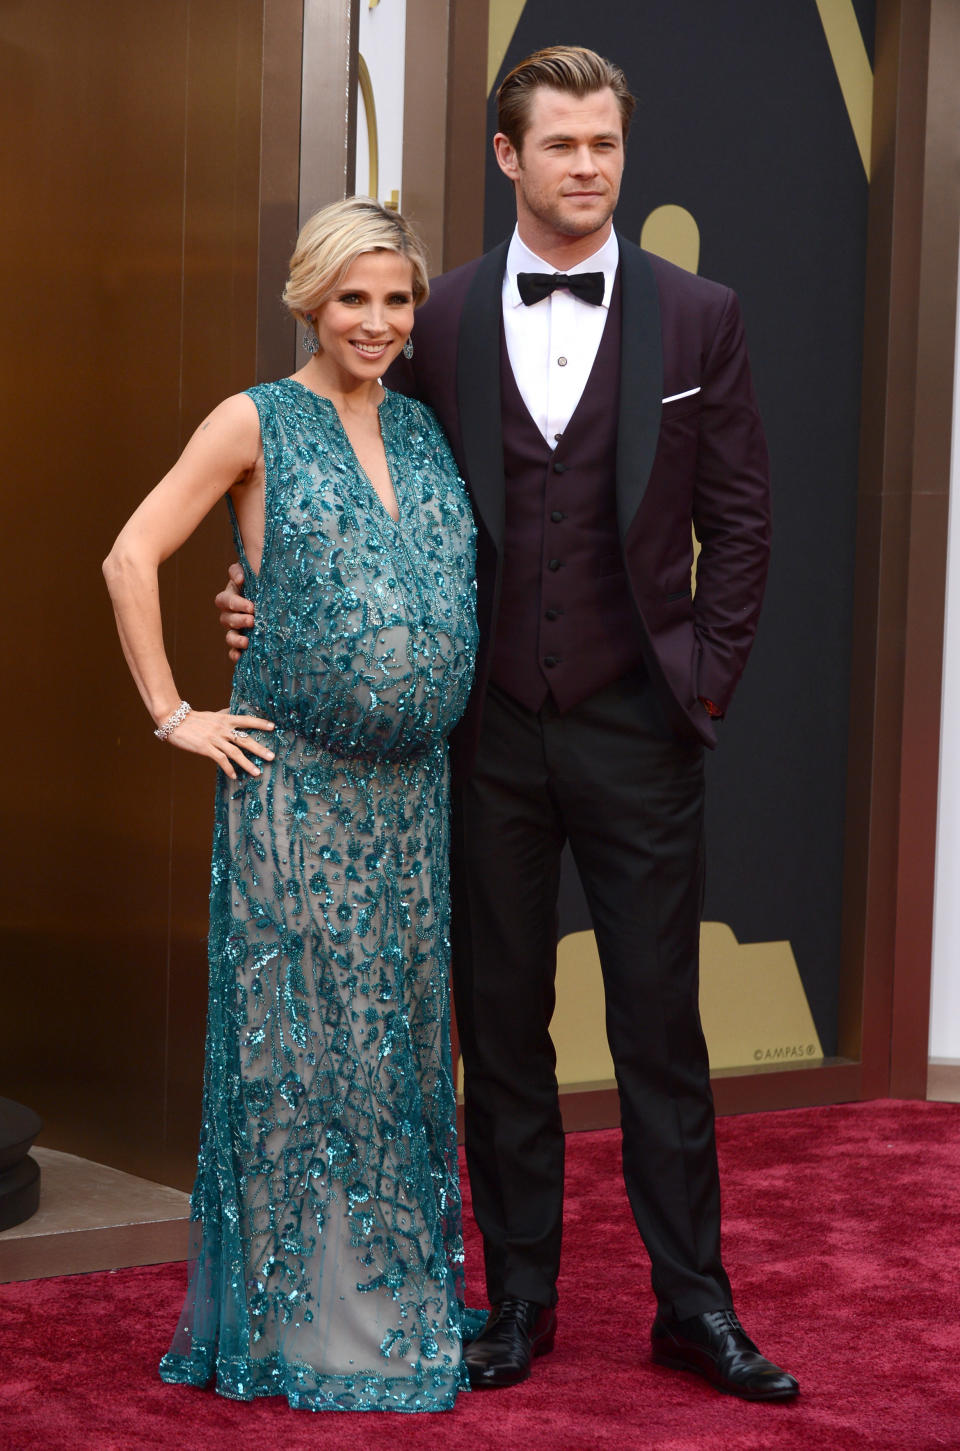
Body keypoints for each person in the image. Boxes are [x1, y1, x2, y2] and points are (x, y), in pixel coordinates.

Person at [218, 47, 799, 1402]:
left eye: (605, 144)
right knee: (504, 1025)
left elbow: (747, 519)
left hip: (638, 730)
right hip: (484, 737)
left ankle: (692, 1305)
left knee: (660, 1026)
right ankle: (520, 1294)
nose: (588, 167)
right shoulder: (447, 316)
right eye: (562, 145)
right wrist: (261, 591)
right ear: (507, 156)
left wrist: (699, 684)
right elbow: (365, 487)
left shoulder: (700, 315)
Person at [103, 197, 480, 1412]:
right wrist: (175, 712)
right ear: (311, 298)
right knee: (310, 1055)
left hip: (411, 801)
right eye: (353, 297)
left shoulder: (422, 429)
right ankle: (310, 1326)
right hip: (297, 794)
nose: (375, 320)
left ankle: (399, 1293)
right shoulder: (252, 418)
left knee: (401, 1046)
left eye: (397, 299)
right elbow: (129, 553)